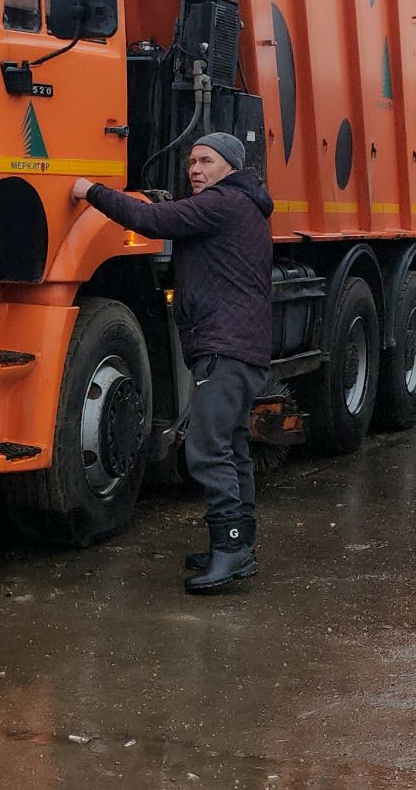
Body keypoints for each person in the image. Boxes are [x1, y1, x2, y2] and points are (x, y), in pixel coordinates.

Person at [71, 132, 274, 593]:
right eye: (192, 162)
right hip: (236, 345)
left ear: (230, 167)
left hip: (226, 346)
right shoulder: (241, 205)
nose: (195, 170)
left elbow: (151, 218)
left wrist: (92, 191)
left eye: (206, 161)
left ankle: (231, 552)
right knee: (231, 445)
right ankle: (236, 543)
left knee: (207, 449)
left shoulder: (224, 204)